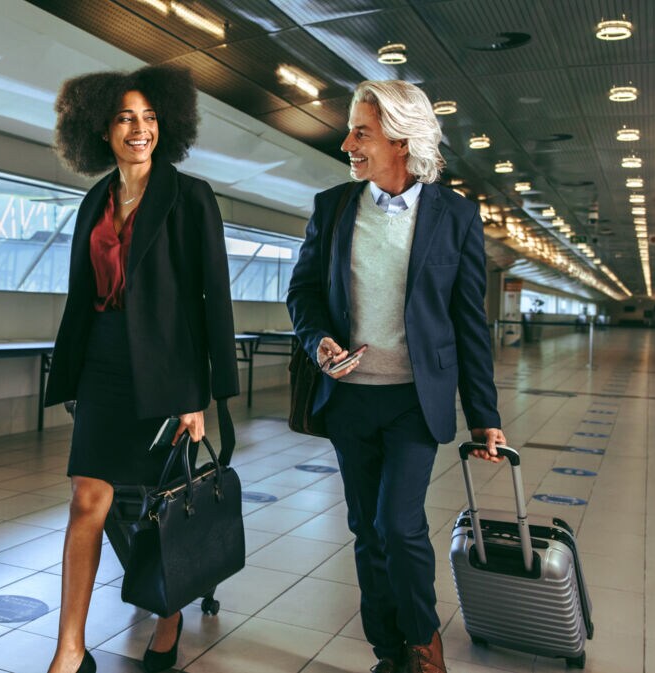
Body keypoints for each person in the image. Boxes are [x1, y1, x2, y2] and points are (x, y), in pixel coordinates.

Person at [285, 80, 507, 673]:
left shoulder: (454, 216)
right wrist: (317, 342)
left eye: (362, 132)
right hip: (349, 399)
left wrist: (485, 417)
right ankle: (388, 650)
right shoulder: (333, 207)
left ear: (402, 141)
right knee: (365, 529)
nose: (347, 144)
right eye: (352, 130)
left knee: (397, 523)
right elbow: (303, 292)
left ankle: (422, 641)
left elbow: (468, 323)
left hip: (414, 400)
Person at [43, 65, 239, 673]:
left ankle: (169, 619)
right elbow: (81, 294)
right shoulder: (93, 199)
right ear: (101, 128)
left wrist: (201, 394)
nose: (139, 128)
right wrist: (72, 372)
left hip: (166, 371)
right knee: (87, 501)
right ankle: (70, 649)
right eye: (126, 117)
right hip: (103, 363)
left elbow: (213, 298)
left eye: (150, 117)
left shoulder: (190, 196)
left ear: (166, 126)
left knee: (164, 506)